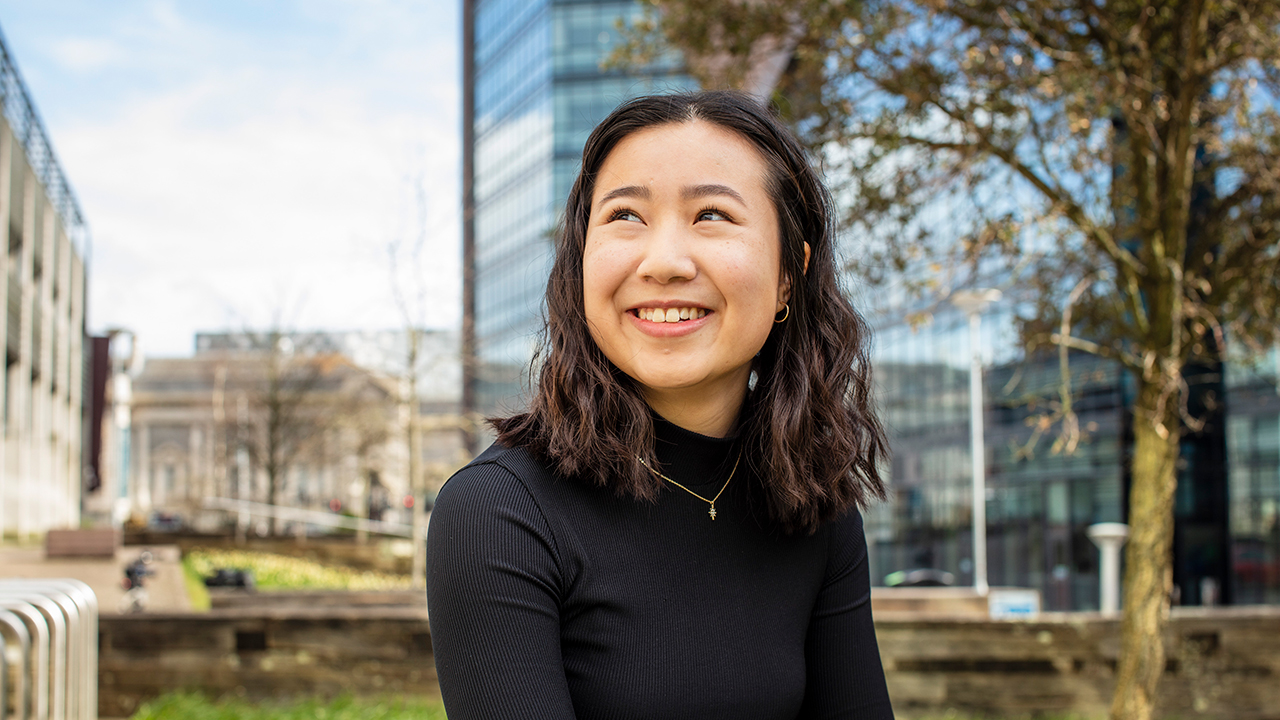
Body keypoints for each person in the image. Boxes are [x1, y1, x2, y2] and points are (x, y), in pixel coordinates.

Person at [427, 90, 894, 719]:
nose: (665, 262)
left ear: (791, 273)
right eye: (625, 217)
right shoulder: (499, 511)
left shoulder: (814, 504)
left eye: (711, 215)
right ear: (581, 263)